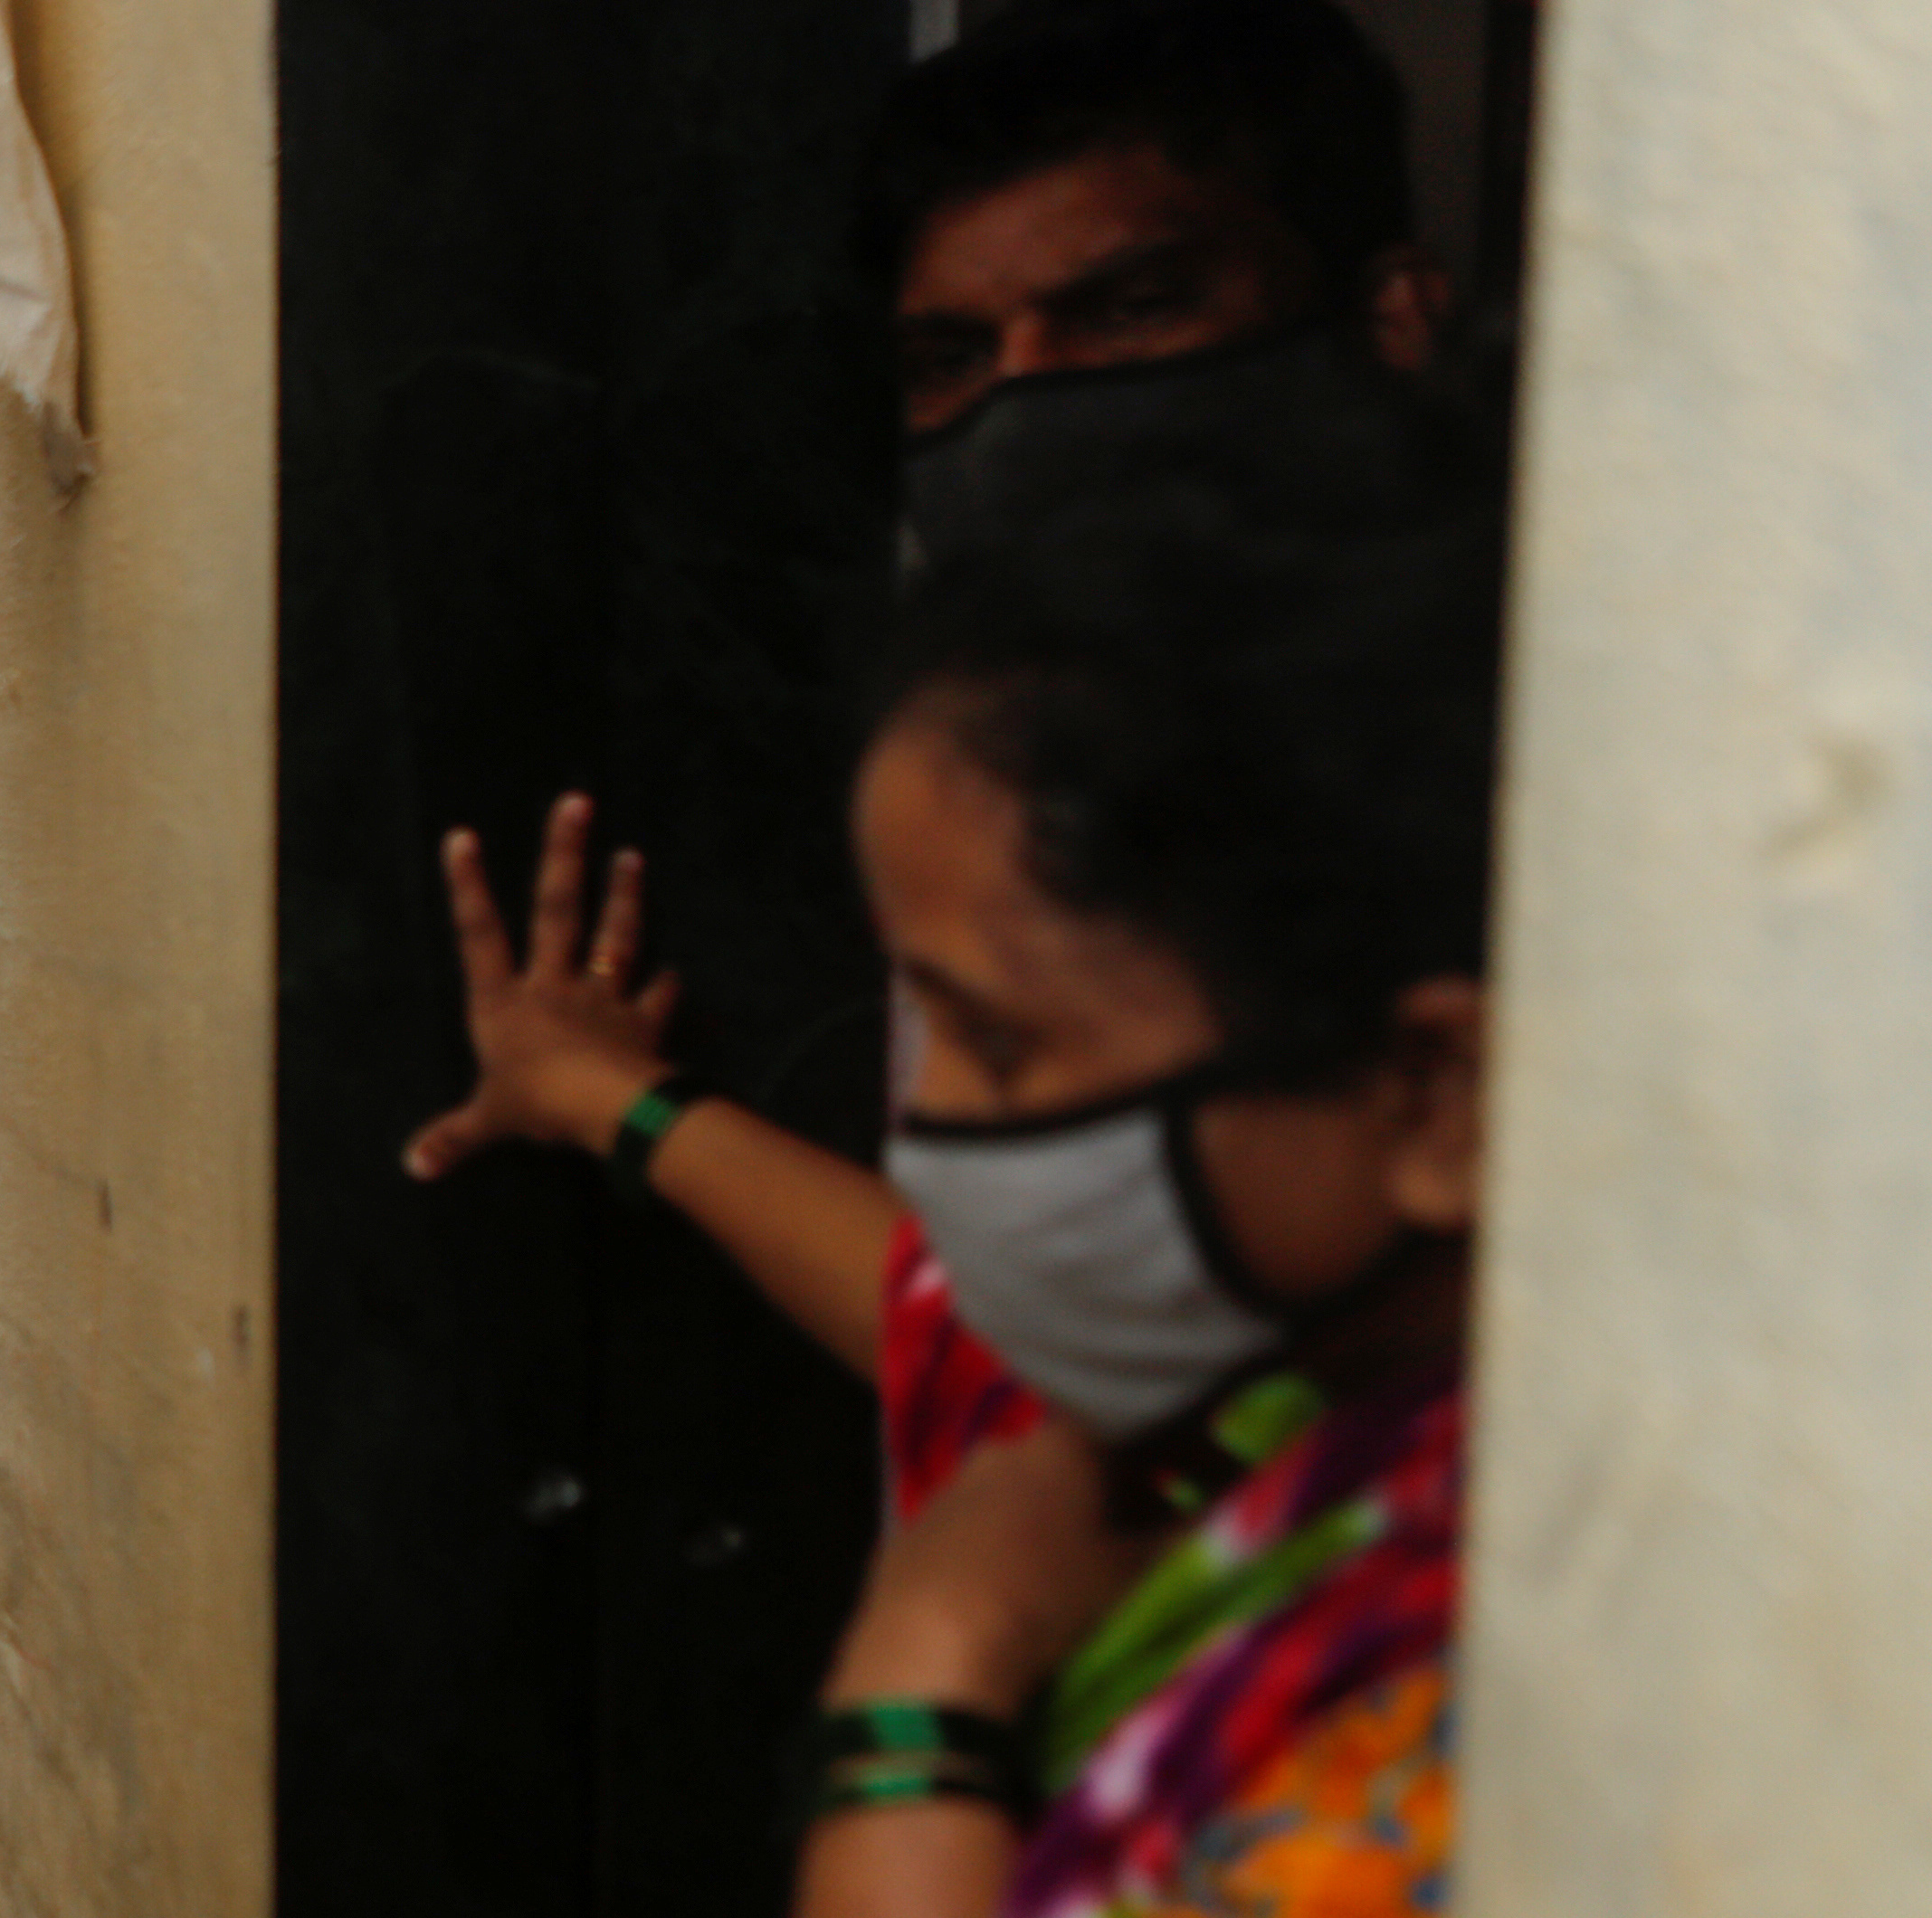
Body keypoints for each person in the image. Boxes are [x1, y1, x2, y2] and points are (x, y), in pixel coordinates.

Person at [665, 502, 1501, 1918]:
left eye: (1005, 1049)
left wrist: (924, 1676)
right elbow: (912, 1286)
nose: (945, 1139)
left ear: (1432, 1089)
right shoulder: (1273, 1455)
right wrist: (617, 1099)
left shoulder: (1471, 1745)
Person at [404, 0, 1462, 1373]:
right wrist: (609, 1096)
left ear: (1390, 320)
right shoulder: (1041, 741)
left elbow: (1041, 1378)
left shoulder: (1510, 781)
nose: (1030, 406)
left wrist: (633, 1111)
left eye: (1133, 307)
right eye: (952, 360)